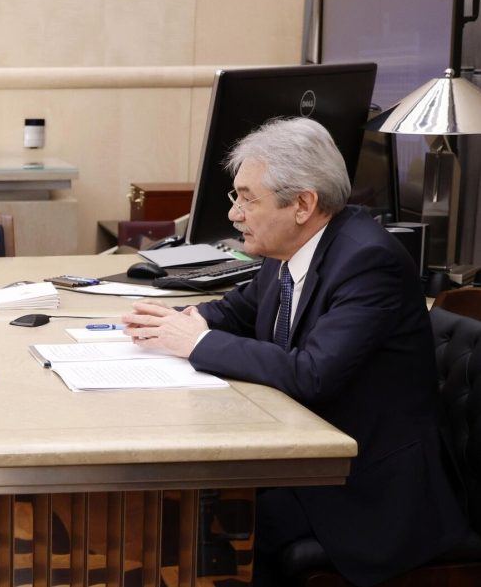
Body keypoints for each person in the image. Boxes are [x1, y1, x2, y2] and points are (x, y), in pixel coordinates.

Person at [122, 117, 468, 586]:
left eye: (248, 199)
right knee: (183, 499)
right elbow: (236, 311)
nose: (234, 214)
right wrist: (175, 321)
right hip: (309, 452)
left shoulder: (368, 261)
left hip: (368, 486)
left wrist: (197, 343)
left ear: (303, 204)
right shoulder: (290, 249)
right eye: (235, 196)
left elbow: (312, 374)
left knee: (207, 520)